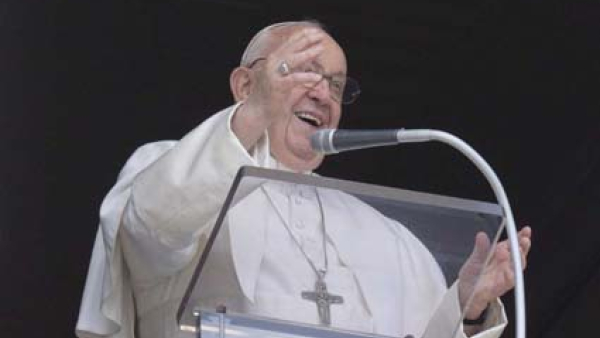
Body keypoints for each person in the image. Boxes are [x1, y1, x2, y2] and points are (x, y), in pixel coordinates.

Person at [75, 21, 532, 338]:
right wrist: (255, 114)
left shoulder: (384, 232)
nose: (323, 93)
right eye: (304, 71)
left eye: (336, 85)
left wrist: (466, 309)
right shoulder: (172, 168)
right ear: (244, 86)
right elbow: (153, 228)